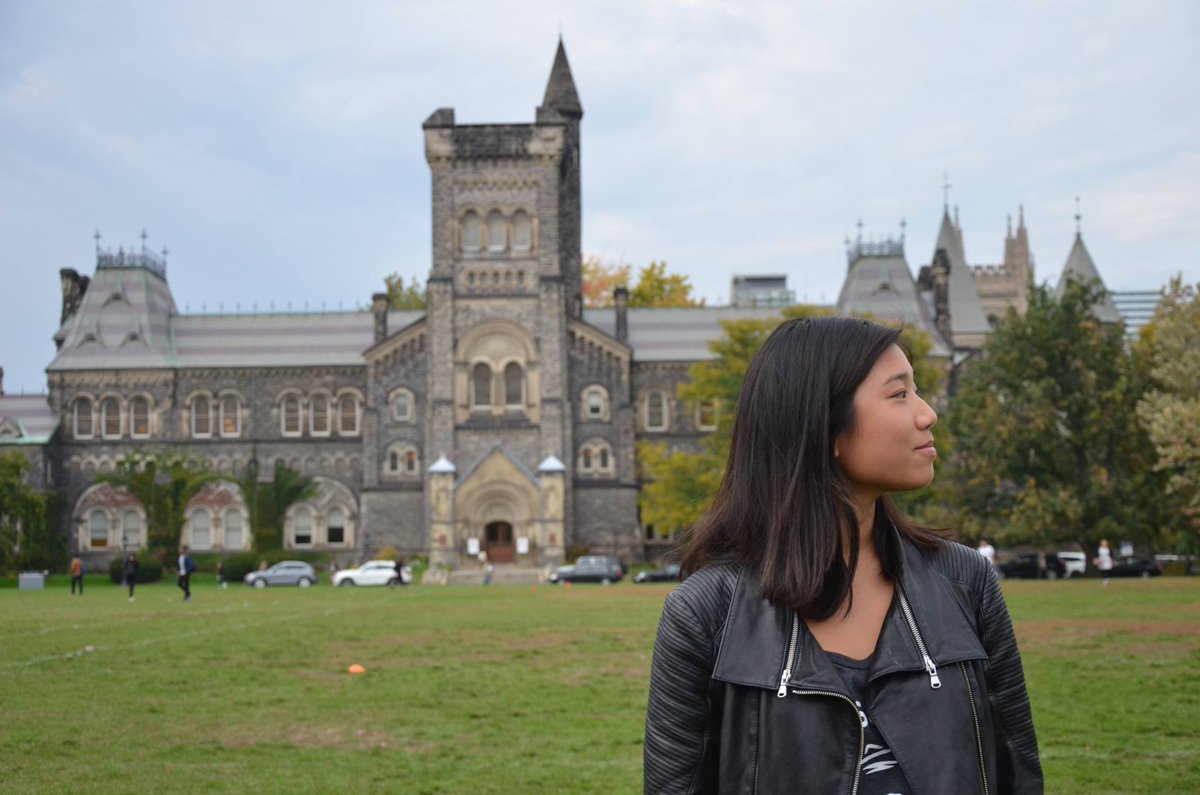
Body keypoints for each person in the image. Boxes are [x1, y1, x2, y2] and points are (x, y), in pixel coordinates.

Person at [644, 317, 1042, 793]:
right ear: (825, 427)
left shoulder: (965, 582)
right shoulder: (706, 612)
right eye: (899, 394)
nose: (928, 413)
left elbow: (1017, 774)